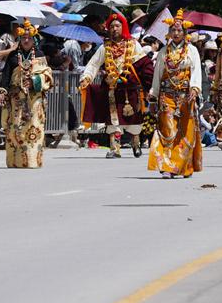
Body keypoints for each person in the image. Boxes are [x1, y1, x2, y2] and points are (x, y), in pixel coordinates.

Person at [80, 12, 155, 158]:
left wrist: (149, 84)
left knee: (134, 119)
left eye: (117, 26)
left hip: (131, 88)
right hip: (112, 89)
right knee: (113, 119)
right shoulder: (105, 47)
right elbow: (94, 64)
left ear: (123, 27)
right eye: (111, 26)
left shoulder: (133, 44)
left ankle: (136, 143)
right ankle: (115, 148)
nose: (114, 29)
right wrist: (86, 77)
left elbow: (144, 64)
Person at [147, 10, 203, 178]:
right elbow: (158, 74)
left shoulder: (192, 50)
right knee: (168, 129)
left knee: (185, 132)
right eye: (173, 30)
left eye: (179, 30)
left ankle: (184, 167)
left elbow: (196, 71)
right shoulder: (164, 51)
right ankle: (167, 166)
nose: (176, 33)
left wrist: (195, 88)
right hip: (167, 95)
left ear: (185, 32)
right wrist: (153, 96)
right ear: (169, 32)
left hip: (186, 96)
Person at [0, 20, 53, 169]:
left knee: (33, 128)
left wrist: (35, 81)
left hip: (34, 99)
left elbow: (47, 75)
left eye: (29, 38)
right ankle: (16, 161)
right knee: (16, 129)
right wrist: (2, 91)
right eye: (23, 38)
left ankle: (32, 160)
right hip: (16, 98)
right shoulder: (13, 55)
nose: (26, 40)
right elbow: (6, 76)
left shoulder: (39, 55)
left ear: (34, 40)